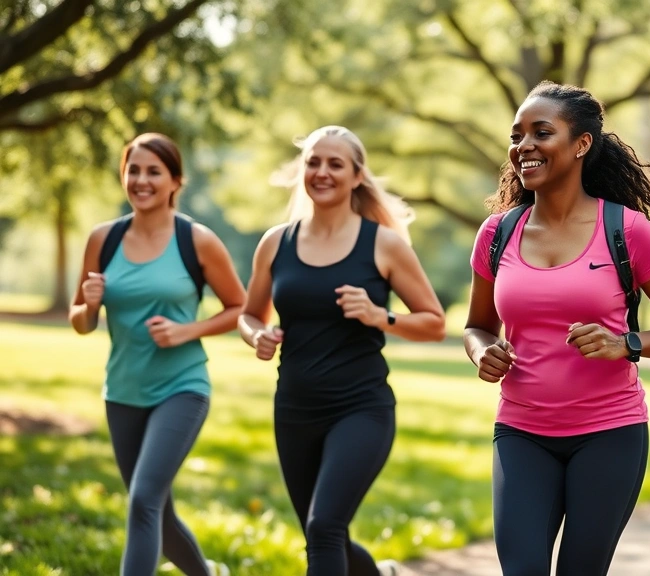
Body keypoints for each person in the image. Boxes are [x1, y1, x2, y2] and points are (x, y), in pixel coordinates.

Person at [463, 81, 650, 576]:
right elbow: (477, 326)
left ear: (581, 145)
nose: (523, 146)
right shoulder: (497, 233)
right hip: (521, 431)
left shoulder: (626, 230)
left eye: (541, 132)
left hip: (609, 434)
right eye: (517, 136)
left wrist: (626, 344)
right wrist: (481, 351)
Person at [237, 126, 445, 576]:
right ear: (302, 171)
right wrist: (257, 336)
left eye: (335, 164)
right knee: (324, 535)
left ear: (356, 177)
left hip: (360, 408)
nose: (322, 172)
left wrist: (380, 316)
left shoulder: (382, 244)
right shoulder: (276, 242)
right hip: (294, 410)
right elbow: (249, 315)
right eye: (313, 162)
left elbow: (434, 322)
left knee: (324, 526)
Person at [69, 133, 245, 576]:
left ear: (175, 181)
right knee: (158, 516)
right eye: (134, 169)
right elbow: (81, 322)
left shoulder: (196, 240)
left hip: (182, 388)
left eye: (154, 171)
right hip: (124, 391)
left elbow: (241, 307)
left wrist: (188, 331)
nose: (141, 180)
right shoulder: (103, 240)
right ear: (123, 176)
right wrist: (89, 304)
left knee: (144, 500)